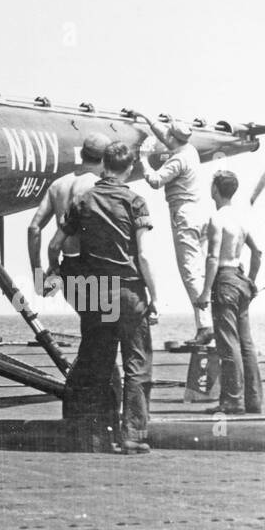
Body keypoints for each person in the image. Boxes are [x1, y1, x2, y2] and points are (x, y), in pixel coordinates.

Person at [57, 141, 158, 454]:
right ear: (128, 169)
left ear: (103, 166)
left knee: (99, 365)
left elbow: (61, 243)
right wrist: (154, 294)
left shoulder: (83, 200)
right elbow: (143, 255)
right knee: (137, 363)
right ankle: (133, 435)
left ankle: (97, 436)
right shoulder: (136, 202)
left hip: (97, 292)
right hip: (130, 291)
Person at [128, 112, 212, 346]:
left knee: (190, 271)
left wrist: (143, 159)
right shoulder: (190, 151)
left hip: (184, 214)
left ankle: (204, 326)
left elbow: (155, 181)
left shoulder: (177, 160)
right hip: (200, 211)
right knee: (202, 268)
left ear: (173, 139)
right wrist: (146, 117)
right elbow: (166, 135)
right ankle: (210, 321)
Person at [198, 170, 264, 415]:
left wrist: (205, 291)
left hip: (224, 279)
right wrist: (252, 282)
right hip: (240, 277)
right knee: (246, 343)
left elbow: (213, 257)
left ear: (215, 189)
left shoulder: (217, 219)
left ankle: (232, 402)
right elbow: (257, 253)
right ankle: (253, 400)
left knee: (229, 343)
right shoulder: (241, 218)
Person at [28, 131, 111, 296]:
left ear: (81, 154)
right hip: (94, 267)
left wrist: (38, 276)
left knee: (88, 318)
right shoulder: (100, 187)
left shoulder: (58, 185)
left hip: (68, 267)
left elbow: (33, 229)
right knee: (106, 318)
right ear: (106, 160)